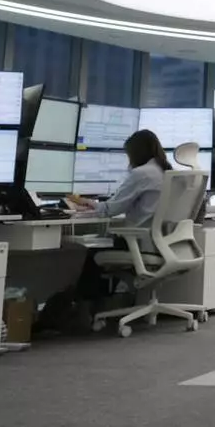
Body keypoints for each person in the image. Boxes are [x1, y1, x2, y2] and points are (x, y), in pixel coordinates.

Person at [63, 129, 171, 307]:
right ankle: (97, 307)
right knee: (101, 246)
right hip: (162, 243)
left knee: (95, 252)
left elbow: (110, 210)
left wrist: (82, 202)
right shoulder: (165, 171)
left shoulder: (142, 173)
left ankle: (84, 308)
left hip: (142, 243)